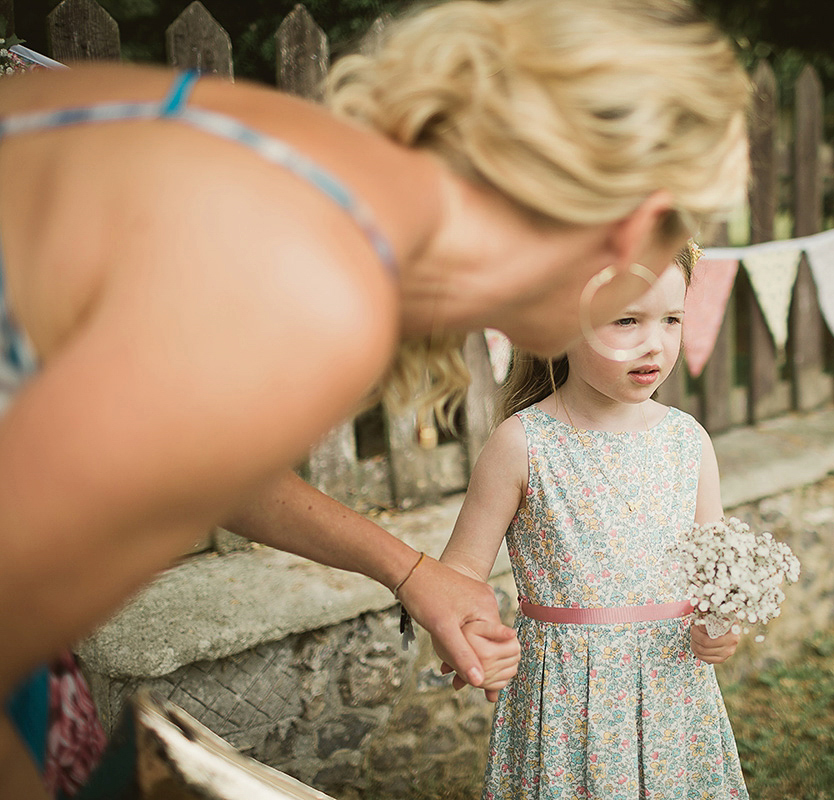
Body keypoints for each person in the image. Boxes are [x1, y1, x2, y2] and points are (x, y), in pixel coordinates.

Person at [0, 0, 751, 795]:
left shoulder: (307, 162)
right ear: (621, 227)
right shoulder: (328, 289)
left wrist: (409, 571)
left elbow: (166, 453)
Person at [440, 242, 749, 799]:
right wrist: (469, 631)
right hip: (566, 704)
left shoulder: (688, 441)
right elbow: (459, 571)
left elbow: (717, 575)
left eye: (672, 319)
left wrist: (722, 627)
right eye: (626, 319)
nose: (655, 342)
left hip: (672, 694)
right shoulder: (523, 444)